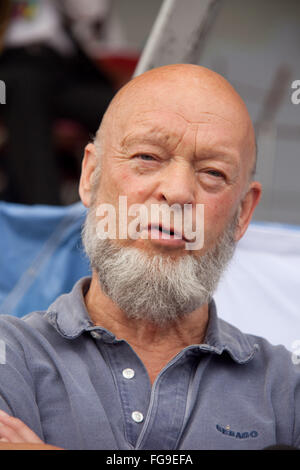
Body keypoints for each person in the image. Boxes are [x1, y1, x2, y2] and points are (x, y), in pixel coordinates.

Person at [0, 64, 299, 450]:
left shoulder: (286, 390)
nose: (176, 193)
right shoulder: (10, 358)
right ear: (90, 175)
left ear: (242, 212)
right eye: (147, 156)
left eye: (212, 172)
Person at [0, 0, 115, 205]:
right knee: (26, 92)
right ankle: (44, 215)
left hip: (60, 71)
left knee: (120, 108)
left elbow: (91, 13)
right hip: (11, 69)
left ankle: (129, 204)